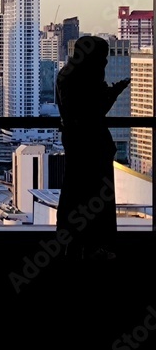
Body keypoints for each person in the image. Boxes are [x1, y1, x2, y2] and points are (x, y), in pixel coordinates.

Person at [54, 35, 129, 261]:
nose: (105, 63)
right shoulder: (85, 78)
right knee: (97, 199)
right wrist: (113, 93)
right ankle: (95, 247)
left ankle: (72, 246)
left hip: (78, 145)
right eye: (102, 58)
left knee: (74, 196)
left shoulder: (66, 76)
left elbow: (78, 114)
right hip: (92, 146)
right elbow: (94, 113)